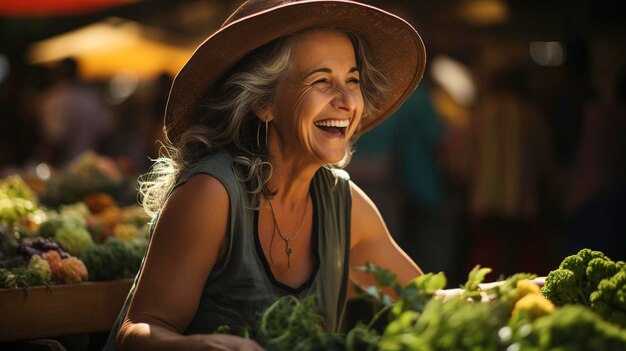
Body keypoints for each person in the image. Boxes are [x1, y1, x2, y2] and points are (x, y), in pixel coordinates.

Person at [106, 0, 426, 350]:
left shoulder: (343, 203)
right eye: (322, 81)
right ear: (264, 103)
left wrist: (490, 300)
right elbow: (136, 332)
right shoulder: (212, 195)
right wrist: (202, 346)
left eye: (353, 80)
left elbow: (427, 300)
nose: (347, 101)